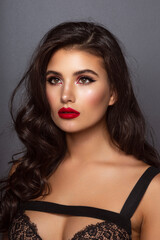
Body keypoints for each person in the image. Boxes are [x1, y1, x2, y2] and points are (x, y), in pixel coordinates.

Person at [0, 21, 160, 240]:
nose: (66, 95)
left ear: (114, 92)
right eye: (54, 80)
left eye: (84, 79)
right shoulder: (26, 173)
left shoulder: (153, 190)